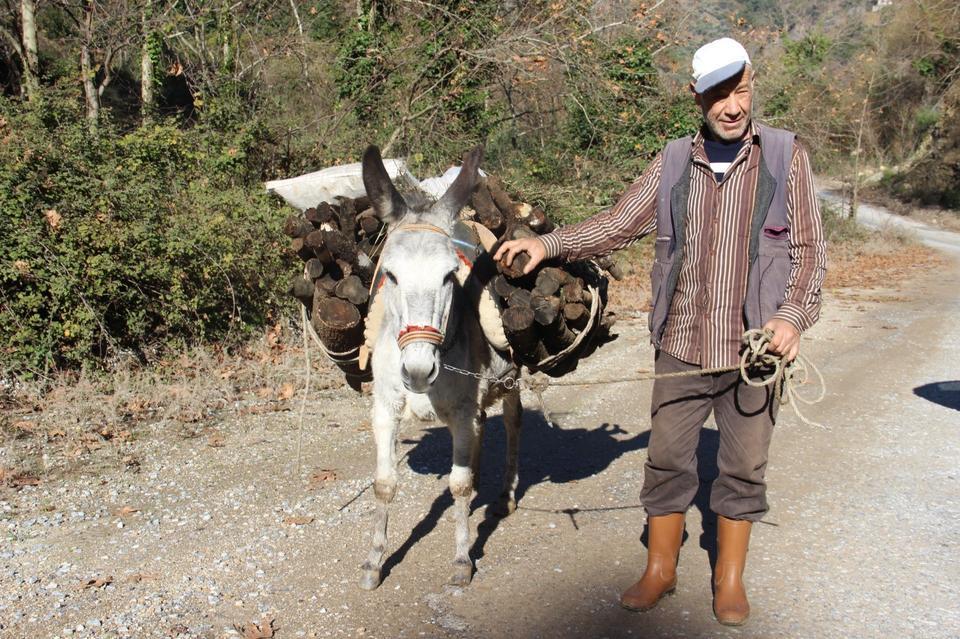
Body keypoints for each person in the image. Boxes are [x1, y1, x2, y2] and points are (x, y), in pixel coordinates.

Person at [494, 37, 826, 626]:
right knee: (668, 460)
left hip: (756, 353)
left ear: (752, 87)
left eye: (741, 91)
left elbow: (808, 253)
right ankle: (661, 570)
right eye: (719, 94)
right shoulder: (673, 161)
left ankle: (729, 579)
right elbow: (618, 224)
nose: (732, 106)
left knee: (744, 466)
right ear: (696, 97)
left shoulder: (784, 156)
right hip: (682, 346)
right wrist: (545, 245)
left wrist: (792, 318)